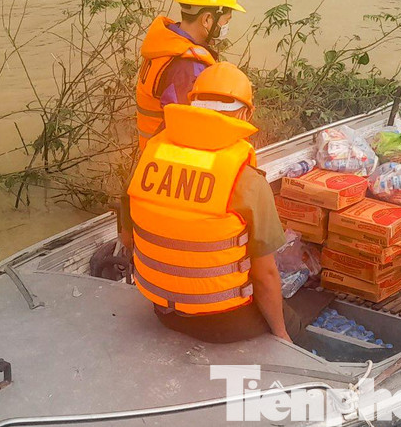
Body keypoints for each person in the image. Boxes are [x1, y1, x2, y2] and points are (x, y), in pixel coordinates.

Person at [124, 62, 293, 343]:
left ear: (192, 104)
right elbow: (265, 276)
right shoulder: (247, 180)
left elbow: (128, 234)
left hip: (161, 310)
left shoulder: (151, 155)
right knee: (292, 321)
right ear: (246, 113)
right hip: (223, 322)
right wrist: (282, 334)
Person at [132, 0, 244, 152]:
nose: (226, 26)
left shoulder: (167, 43)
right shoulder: (187, 66)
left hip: (154, 158)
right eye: (226, 20)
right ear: (207, 19)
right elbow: (186, 130)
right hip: (170, 164)